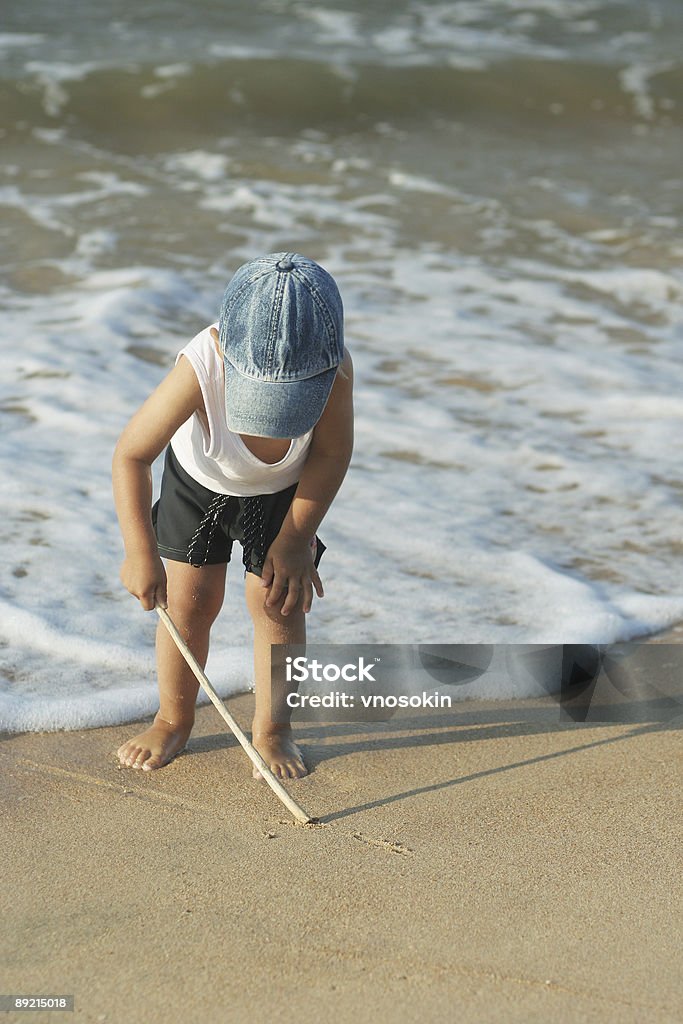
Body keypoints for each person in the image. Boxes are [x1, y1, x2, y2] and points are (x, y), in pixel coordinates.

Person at [112, 253, 353, 779]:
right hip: (200, 487)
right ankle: (172, 719)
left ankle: (273, 730)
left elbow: (332, 456)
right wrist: (140, 551)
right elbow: (131, 456)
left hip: (287, 498)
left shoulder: (335, 373)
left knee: (279, 604)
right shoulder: (202, 363)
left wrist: (296, 540)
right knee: (191, 603)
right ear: (224, 348)